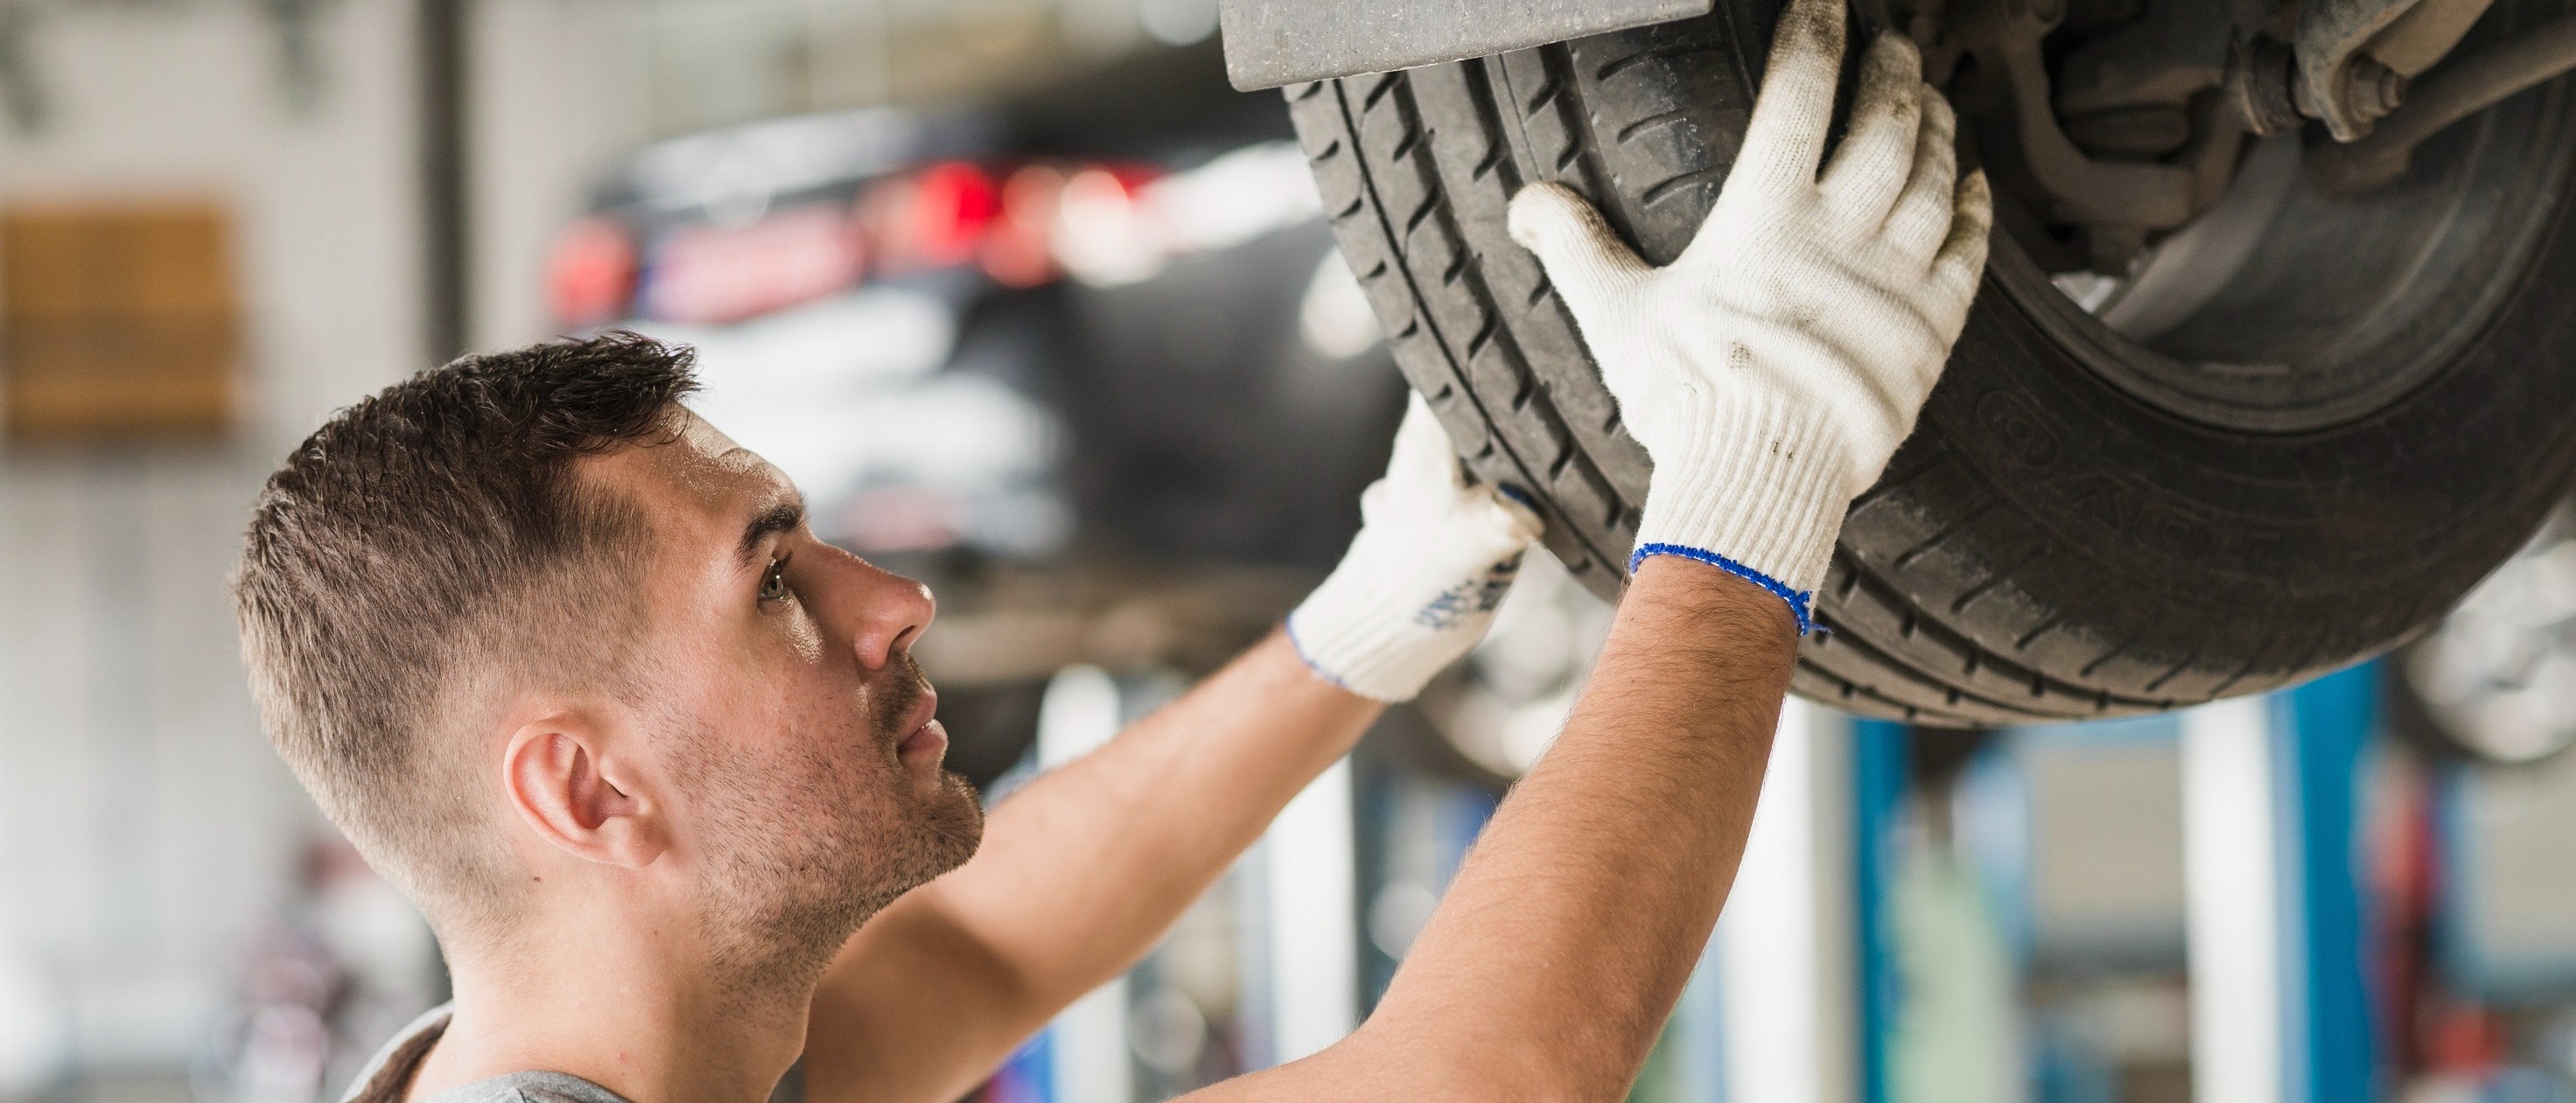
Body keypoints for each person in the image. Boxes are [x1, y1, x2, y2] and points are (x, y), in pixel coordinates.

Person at [229, 0, 1987, 1097]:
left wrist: (1356, 633)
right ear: (587, 793)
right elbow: (1483, 1079)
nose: (893, 599)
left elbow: (972, 958)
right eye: (774, 585)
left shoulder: (610, 1053)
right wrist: (1750, 494)